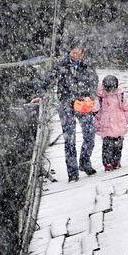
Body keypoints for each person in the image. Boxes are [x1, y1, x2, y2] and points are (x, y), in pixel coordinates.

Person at [30, 41, 98, 182]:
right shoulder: (61, 65)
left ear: (83, 54)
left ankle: (84, 162)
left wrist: (90, 96)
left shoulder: (88, 66)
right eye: (73, 52)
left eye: (79, 53)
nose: (76, 56)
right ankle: (72, 173)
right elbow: (48, 80)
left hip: (83, 103)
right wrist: (40, 94)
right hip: (66, 103)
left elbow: (94, 81)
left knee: (90, 134)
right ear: (69, 52)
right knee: (69, 139)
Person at [94, 75, 128, 171]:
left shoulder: (120, 95)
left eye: (112, 89)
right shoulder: (100, 96)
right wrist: (96, 123)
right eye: (109, 89)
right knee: (107, 145)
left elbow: (125, 107)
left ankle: (116, 161)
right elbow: (96, 111)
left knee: (118, 144)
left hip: (119, 121)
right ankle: (107, 163)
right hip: (106, 122)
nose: (111, 92)